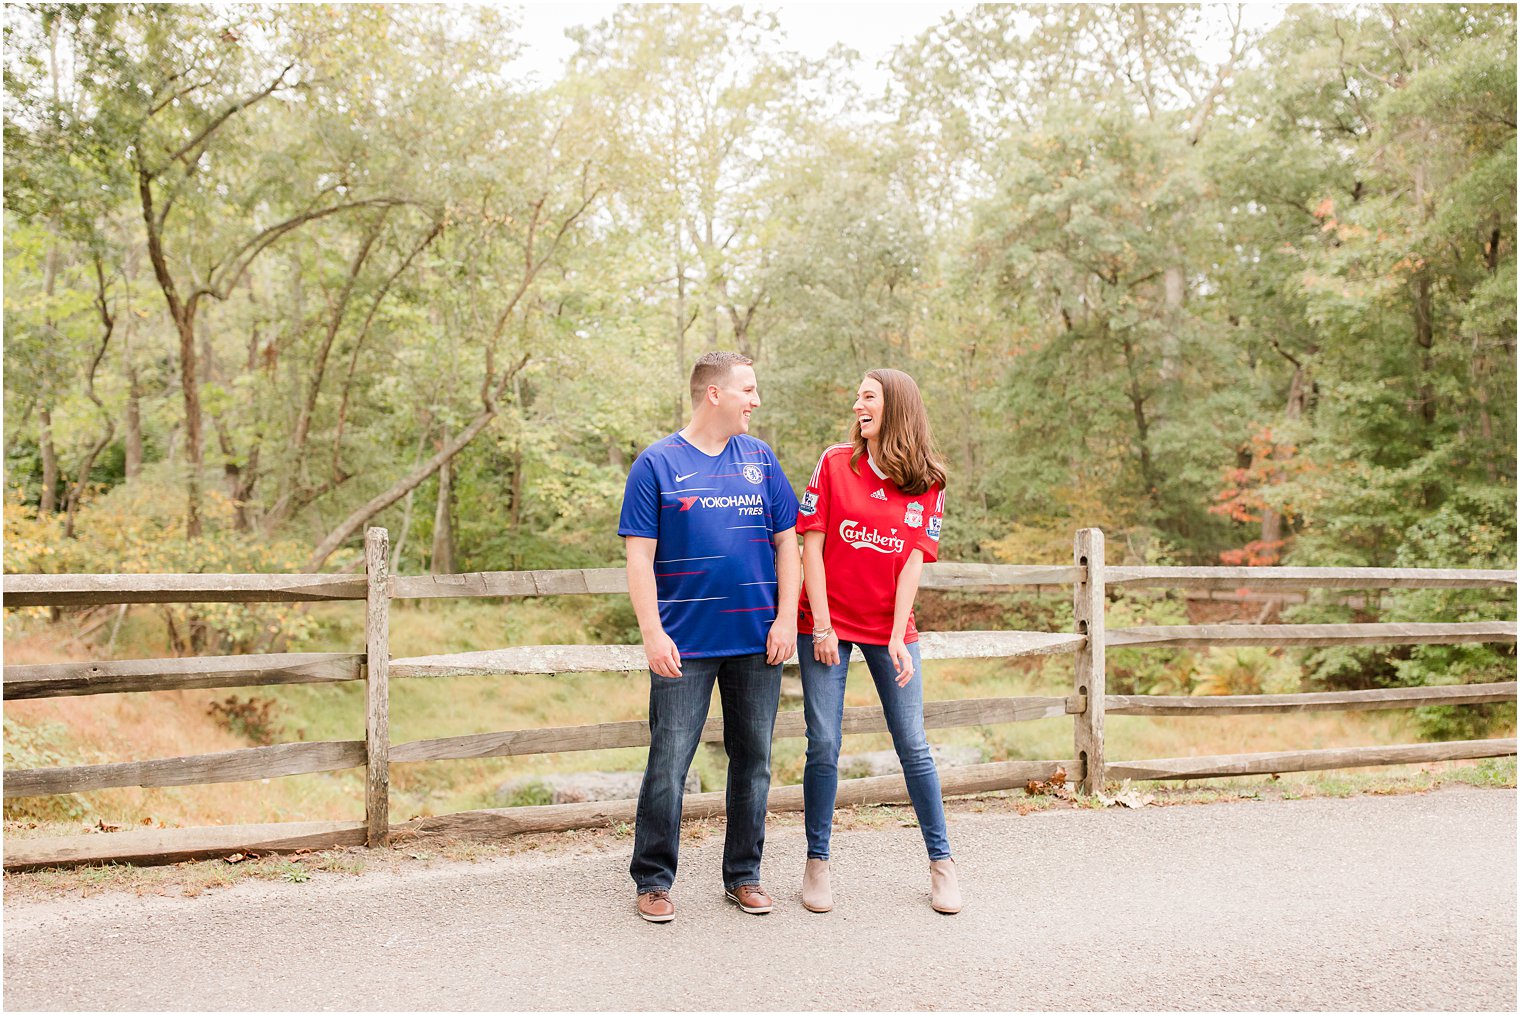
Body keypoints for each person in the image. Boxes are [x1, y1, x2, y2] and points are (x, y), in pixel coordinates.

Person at [618, 351, 800, 923]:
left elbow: (788, 542)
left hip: (756, 641)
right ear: (713, 395)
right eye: (748, 389)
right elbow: (638, 558)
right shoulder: (656, 465)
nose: (756, 399)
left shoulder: (761, 460)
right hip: (684, 645)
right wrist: (652, 634)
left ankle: (743, 875)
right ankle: (653, 879)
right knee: (669, 762)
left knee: (754, 761)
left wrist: (787, 618)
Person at [794, 367, 961, 915]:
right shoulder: (835, 462)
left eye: (869, 396)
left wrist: (896, 634)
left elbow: (913, 561)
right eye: (858, 396)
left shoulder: (927, 479)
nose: (857, 403)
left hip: (889, 628)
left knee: (913, 744)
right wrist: (821, 623)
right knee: (824, 742)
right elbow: (811, 547)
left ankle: (942, 865)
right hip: (826, 623)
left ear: (897, 407)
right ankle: (817, 862)